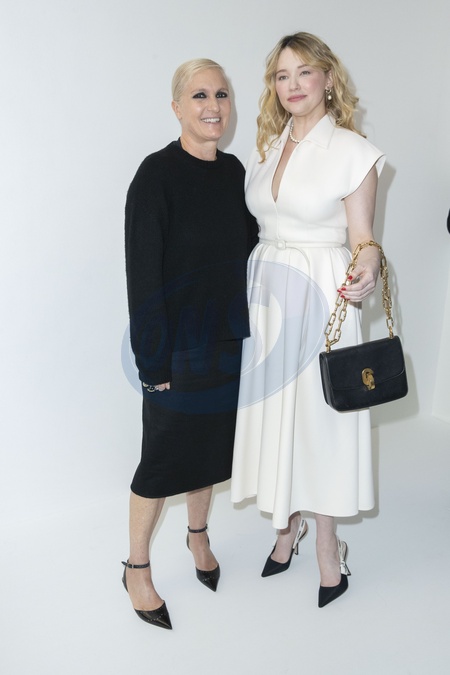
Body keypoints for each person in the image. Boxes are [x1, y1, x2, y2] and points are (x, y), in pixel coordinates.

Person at [230, 32, 386, 607]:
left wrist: (368, 265)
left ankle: (326, 543)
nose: (292, 85)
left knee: (321, 419)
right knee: (277, 413)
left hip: (323, 292)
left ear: (327, 78)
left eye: (303, 72)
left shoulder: (352, 150)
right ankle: (285, 525)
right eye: (281, 75)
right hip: (267, 291)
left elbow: (364, 238)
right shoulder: (265, 146)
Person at [123, 58, 258, 629]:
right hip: (174, 350)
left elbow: (253, 249)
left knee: (209, 453)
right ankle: (136, 566)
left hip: (226, 341)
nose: (213, 106)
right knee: (160, 463)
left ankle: (197, 535)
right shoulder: (155, 175)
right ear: (177, 106)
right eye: (199, 95)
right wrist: (152, 363)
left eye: (221, 95)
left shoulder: (234, 172)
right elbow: (142, 274)